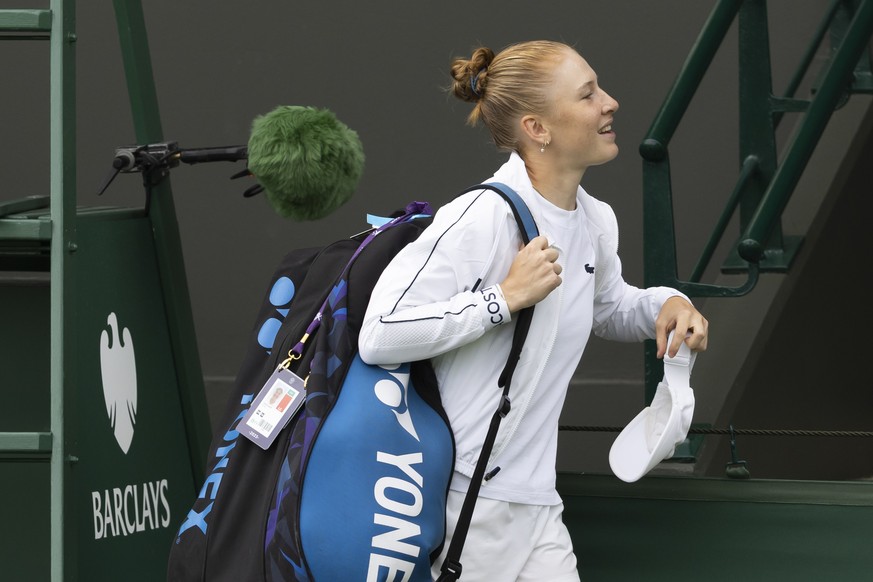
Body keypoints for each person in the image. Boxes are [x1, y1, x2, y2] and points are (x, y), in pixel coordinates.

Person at [358, 40, 709, 582]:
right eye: (588, 94)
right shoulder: (481, 217)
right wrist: (502, 299)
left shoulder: (595, 221)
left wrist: (668, 303)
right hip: (462, 508)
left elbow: (608, 307)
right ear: (536, 129)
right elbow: (379, 335)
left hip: (538, 505)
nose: (610, 103)